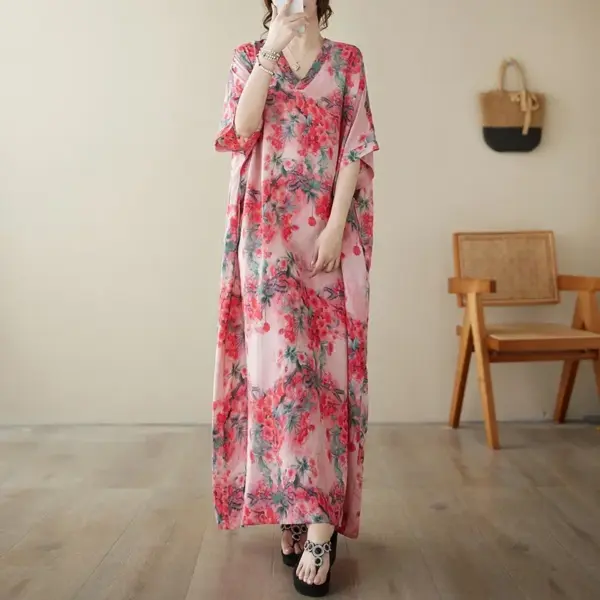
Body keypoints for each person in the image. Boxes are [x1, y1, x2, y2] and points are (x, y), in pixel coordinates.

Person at [212, 0, 378, 595]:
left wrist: (335, 227)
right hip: (266, 239)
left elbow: (356, 149)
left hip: (328, 240)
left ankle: (320, 526)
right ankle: (294, 505)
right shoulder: (248, 57)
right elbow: (242, 131)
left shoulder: (347, 61)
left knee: (325, 380)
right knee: (280, 379)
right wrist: (270, 51)